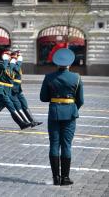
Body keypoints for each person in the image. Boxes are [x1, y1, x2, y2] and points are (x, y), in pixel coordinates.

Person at [40, 48, 84, 186]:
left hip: (54, 113)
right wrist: (72, 108)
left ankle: (55, 178)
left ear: (57, 63)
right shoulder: (76, 77)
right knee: (66, 145)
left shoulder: (49, 77)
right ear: (69, 64)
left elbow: (43, 98)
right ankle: (65, 178)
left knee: (54, 144)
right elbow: (81, 100)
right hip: (70, 113)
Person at [0, 51, 42, 128]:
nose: (18, 57)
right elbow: (14, 71)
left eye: (19, 56)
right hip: (10, 89)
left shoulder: (12, 63)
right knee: (4, 106)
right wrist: (18, 62)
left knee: (21, 105)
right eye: (17, 56)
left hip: (17, 89)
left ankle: (30, 121)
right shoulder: (9, 64)